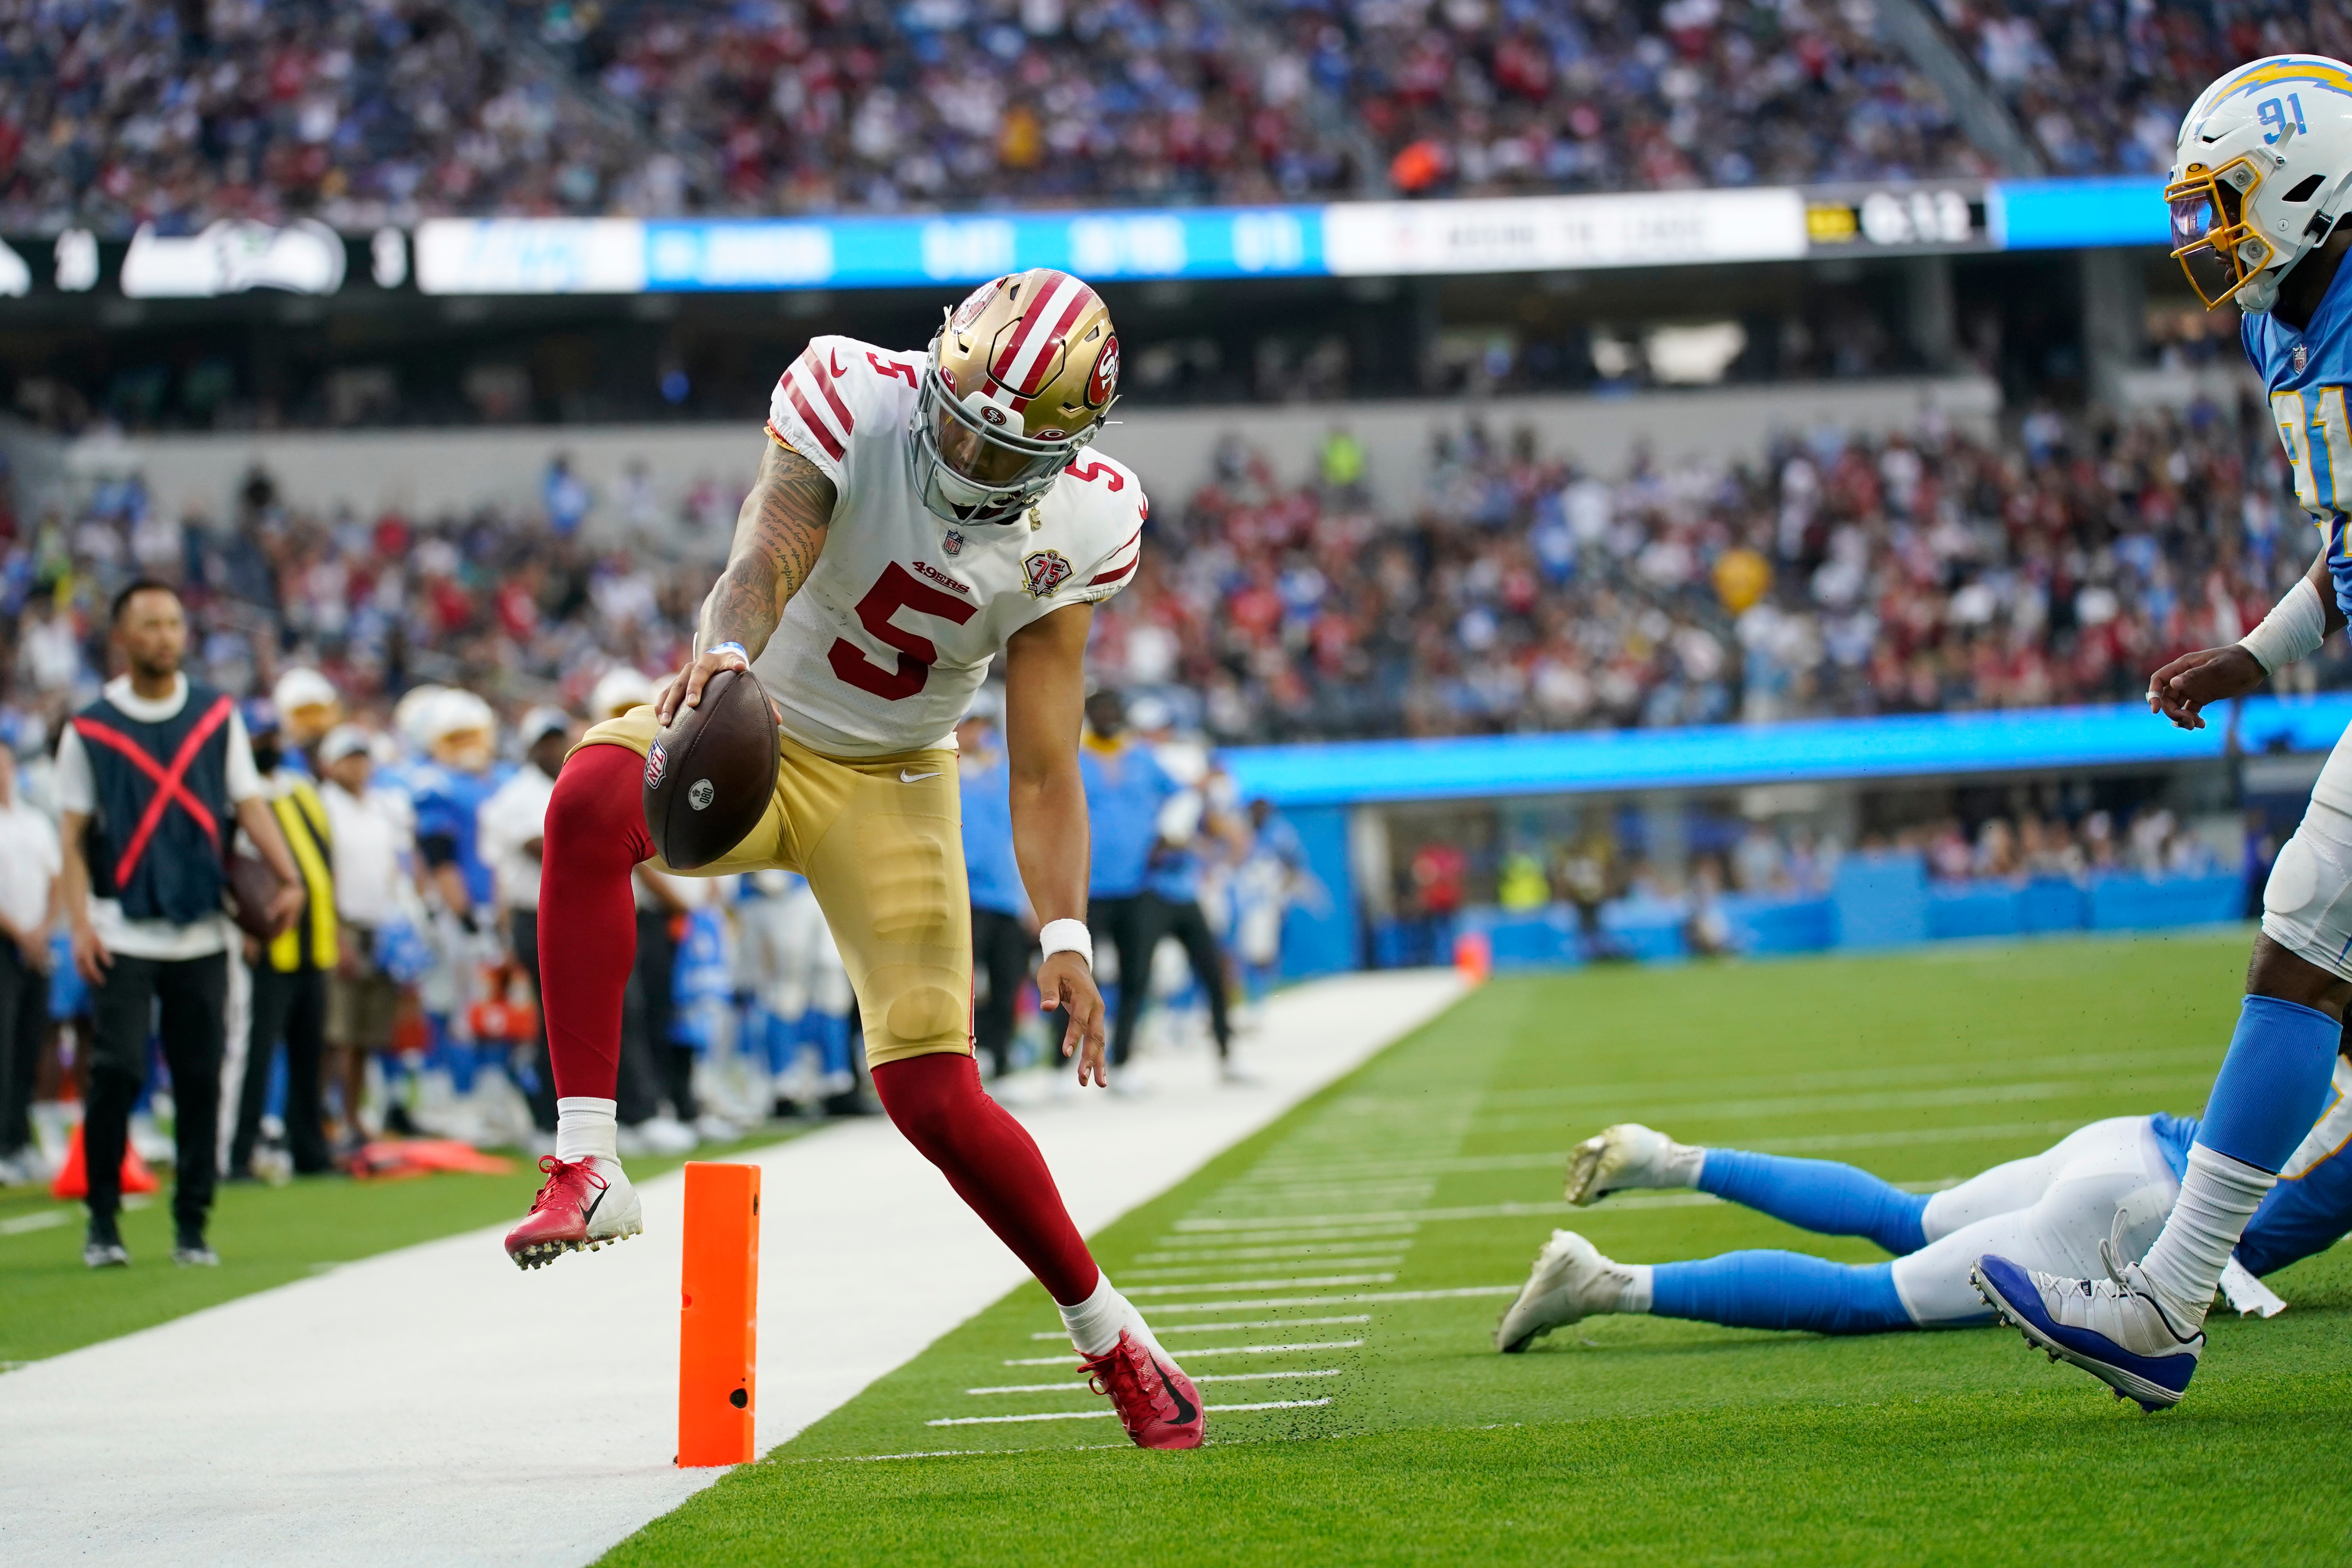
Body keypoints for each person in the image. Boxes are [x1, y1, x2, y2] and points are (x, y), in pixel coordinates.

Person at [505, 269, 1205, 1449]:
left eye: (1003, 455)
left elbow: (1041, 766)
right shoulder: (849, 391)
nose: (970, 462)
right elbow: (764, 555)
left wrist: (1065, 934)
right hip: (756, 723)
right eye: (962, 426)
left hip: (895, 779)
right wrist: (722, 658)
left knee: (931, 1093)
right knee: (586, 801)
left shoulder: (1089, 518)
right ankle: (587, 1157)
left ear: (1069, 449)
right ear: (936, 369)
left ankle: (1112, 1335)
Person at [1989, 56, 2352, 1410]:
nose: (2209, 234)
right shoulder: (2287, 318)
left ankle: (2166, 1300)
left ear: (2314, 185)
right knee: (2311, 934)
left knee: (2310, 925)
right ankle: (2168, 1297)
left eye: (2232, 201)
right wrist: (2258, 650)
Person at [1494, 1046, 2352, 1353]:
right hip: (2139, 1214)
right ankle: (1604, 1281)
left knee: (1905, 1217)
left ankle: (1669, 1160)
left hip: (2133, 1141)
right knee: (1867, 1298)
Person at [56, 581, 303, 1268]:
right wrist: (78, 924)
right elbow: (71, 837)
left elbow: (249, 804)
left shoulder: (214, 716)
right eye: (150, 624)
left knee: (199, 1079)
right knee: (118, 1070)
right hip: (123, 929)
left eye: (172, 623)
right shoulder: (92, 727)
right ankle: (102, 1220)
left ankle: (192, 1222)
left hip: (202, 928)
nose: (165, 635)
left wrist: (291, 877)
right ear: (123, 637)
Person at [228, 700, 341, 1179]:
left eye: (273, 735)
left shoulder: (300, 790)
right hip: (269, 945)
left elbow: (324, 858)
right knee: (255, 1053)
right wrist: (242, 928)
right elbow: (231, 868)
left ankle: (308, 1148)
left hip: (314, 944)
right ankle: (240, 1150)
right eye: (259, 737)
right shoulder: (235, 797)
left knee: (308, 1052)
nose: (268, 744)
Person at [477, 707, 573, 1139]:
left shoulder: (563, 781)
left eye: (558, 739)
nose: (555, 749)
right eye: (546, 741)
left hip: (565, 913)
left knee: (569, 1018)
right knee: (543, 1020)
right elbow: (546, 846)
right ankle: (541, 1117)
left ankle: (566, 1116)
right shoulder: (518, 794)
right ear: (532, 747)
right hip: (532, 916)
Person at [315, 724, 413, 1146]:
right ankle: (327, 1117)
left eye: (361, 758)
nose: (357, 766)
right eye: (347, 758)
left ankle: (354, 1118)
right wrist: (334, 933)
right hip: (343, 923)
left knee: (368, 1033)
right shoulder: (323, 807)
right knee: (337, 1032)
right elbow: (320, 875)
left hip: (380, 926)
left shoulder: (381, 807)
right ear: (330, 764)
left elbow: (395, 869)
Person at [1076, 688, 1175, 1090]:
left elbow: (1183, 797)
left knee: (1136, 976)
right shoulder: (1075, 757)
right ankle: (1060, 1063)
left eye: (1114, 708)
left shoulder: (1142, 758)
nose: (1108, 715)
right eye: (1100, 709)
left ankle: (1124, 1062)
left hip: (1137, 885)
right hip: (1089, 887)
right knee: (1078, 979)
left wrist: (1169, 836)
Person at [958, 692, 1032, 1080]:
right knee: (966, 988)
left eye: (980, 724)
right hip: (962, 893)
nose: (975, 732)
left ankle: (1001, 1063)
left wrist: (1028, 898)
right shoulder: (942, 766)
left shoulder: (1000, 771)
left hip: (1003, 894)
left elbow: (1017, 835)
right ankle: (967, 1064)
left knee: (1007, 983)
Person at [0, 744, 60, 1185]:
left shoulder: (34, 820)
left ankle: (20, 1140)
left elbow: (56, 877)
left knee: (29, 1044)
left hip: (38, 945)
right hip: (6, 945)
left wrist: (42, 929)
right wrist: (21, 932)